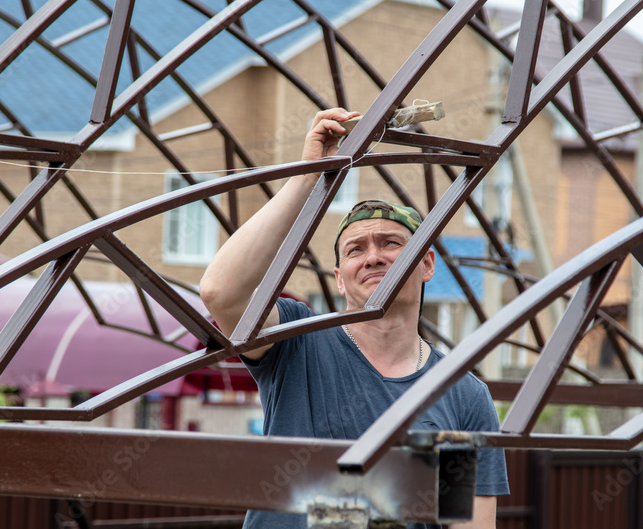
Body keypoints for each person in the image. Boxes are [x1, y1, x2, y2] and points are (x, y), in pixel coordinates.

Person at [200, 108, 509, 528]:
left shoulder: (462, 395)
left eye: (391, 243)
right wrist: (309, 175)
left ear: (427, 265)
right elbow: (221, 292)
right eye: (355, 249)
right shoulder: (297, 342)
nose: (373, 257)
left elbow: (466, 521)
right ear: (340, 279)